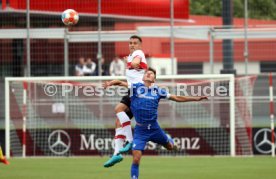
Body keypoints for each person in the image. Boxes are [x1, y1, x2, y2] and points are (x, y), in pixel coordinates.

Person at [103, 68, 208, 178]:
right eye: (146, 73)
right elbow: (119, 82)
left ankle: (169, 139)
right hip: (140, 131)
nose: (148, 74)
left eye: (151, 73)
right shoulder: (135, 87)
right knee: (136, 159)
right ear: (143, 77)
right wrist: (110, 83)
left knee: (170, 147)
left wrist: (196, 99)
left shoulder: (158, 91)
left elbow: (176, 97)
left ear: (154, 79)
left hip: (154, 129)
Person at [103, 35, 148, 168]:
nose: (132, 45)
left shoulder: (138, 54)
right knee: (118, 121)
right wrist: (116, 82)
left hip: (139, 92)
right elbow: (131, 81)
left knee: (118, 109)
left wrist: (130, 61)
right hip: (132, 90)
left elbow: (135, 63)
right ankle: (117, 154)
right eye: (130, 43)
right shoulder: (131, 58)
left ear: (140, 45)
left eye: (135, 43)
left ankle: (130, 140)